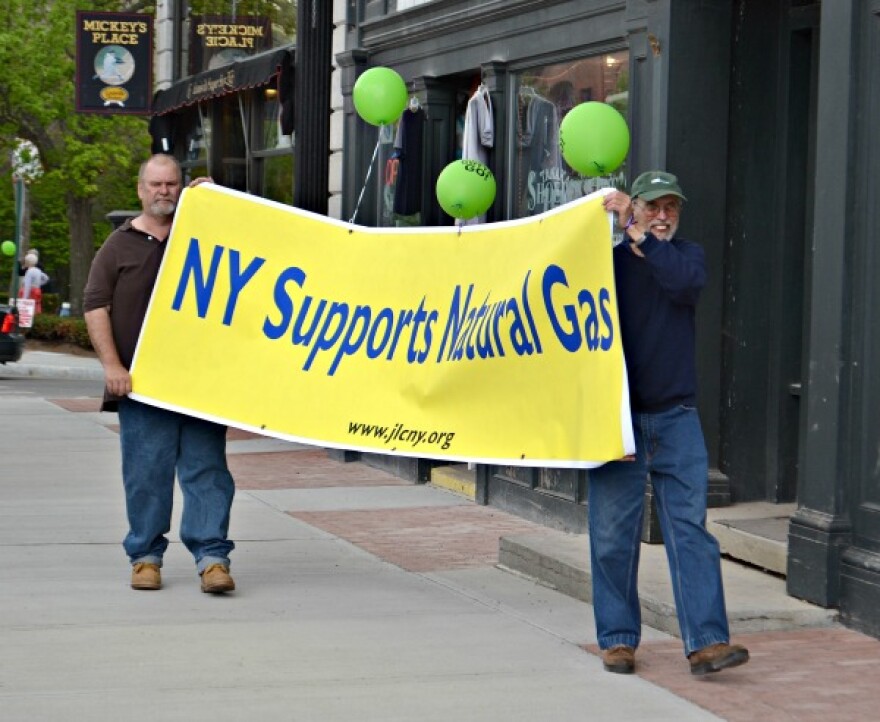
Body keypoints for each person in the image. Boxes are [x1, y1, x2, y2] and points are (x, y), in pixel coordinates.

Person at [594, 171, 749, 676]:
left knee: (690, 533)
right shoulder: (605, 266)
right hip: (619, 420)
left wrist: (640, 240)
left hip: (677, 418)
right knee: (614, 536)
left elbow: (685, 287)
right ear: (632, 208)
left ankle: (707, 642)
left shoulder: (686, 258)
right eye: (652, 207)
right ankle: (618, 640)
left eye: (671, 209)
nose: (662, 216)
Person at [83, 154, 236, 594]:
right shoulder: (118, 245)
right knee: (146, 473)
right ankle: (146, 557)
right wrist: (112, 365)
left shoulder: (203, 234)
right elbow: (96, 306)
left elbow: (257, 253)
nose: (163, 191)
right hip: (142, 387)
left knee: (207, 471)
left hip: (200, 384)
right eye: (156, 184)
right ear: (140, 189)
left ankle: (212, 559)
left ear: (181, 187)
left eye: (171, 184)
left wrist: (220, 204)